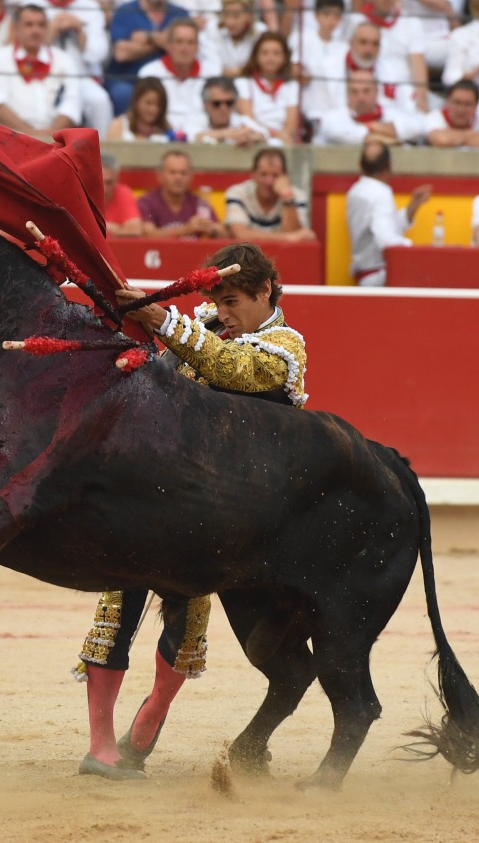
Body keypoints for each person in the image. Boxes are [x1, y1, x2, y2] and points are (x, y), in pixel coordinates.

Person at [75, 241, 308, 780]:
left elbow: (231, 367)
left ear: (265, 290)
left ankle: (153, 710)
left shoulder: (286, 346)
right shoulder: (204, 321)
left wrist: (164, 323)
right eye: (217, 302)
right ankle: (101, 746)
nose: (222, 314)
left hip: (219, 514)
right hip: (149, 494)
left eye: (232, 303)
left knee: (188, 623)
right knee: (116, 607)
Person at [0, 4, 81, 139]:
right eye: (29, 25)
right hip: (10, 138)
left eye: (41, 25)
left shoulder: (64, 60)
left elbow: (72, 104)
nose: (36, 30)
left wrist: (50, 135)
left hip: (55, 140)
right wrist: (30, 134)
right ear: (16, 28)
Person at [345, 140, 431, 286]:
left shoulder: (355, 190)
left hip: (366, 277)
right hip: (379, 277)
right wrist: (420, 252)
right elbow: (386, 238)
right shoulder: (381, 193)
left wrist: (413, 206)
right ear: (389, 166)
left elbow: (385, 225)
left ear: (360, 165)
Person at [103, 0, 190, 116]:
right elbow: (121, 53)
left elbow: (184, 48)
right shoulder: (126, 11)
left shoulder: (179, 13)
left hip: (167, 79)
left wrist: (146, 38)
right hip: (128, 79)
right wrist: (158, 40)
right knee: (122, 94)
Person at [41, 0, 113, 136]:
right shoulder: (33, 3)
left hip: (82, 78)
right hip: (44, 77)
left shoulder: (90, 7)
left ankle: (103, 151)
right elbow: (29, 49)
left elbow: (98, 54)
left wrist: (79, 29)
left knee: (100, 100)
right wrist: (51, 30)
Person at [345, 0, 430, 113]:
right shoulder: (356, 20)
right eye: (364, 42)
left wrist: (422, 99)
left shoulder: (411, 22)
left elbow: (418, 63)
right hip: (360, 83)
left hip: (399, 87)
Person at [137, 18, 220, 131]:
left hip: (202, 141)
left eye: (190, 42)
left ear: (197, 47)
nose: (184, 49)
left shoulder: (212, 74)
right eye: (179, 42)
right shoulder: (149, 73)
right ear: (169, 45)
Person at [225, 148, 316, 242]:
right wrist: (286, 237)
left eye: (275, 175)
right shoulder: (238, 193)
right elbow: (240, 234)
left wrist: (287, 197)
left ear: (285, 176)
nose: (269, 181)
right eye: (263, 174)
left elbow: (295, 242)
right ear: (253, 174)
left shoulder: (297, 196)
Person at [315, 68, 423, 145]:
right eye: (354, 92)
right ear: (347, 94)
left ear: (376, 92)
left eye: (366, 91)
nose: (361, 97)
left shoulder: (391, 112)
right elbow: (337, 133)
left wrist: (371, 126)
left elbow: (417, 128)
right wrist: (382, 132)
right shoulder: (332, 117)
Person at [137, 149, 224, 238]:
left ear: (191, 176)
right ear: (160, 176)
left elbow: (223, 232)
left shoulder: (199, 202)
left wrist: (211, 229)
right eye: (172, 172)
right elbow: (148, 234)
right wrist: (186, 229)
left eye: (183, 173)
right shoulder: (146, 202)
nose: (178, 177)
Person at [234, 31, 300, 146]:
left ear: (285, 57)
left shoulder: (292, 85)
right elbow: (248, 118)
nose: (270, 58)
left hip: (282, 139)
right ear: (256, 56)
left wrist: (282, 136)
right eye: (265, 53)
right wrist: (274, 134)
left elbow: (291, 125)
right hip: (254, 135)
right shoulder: (243, 82)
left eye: (276, 53)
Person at [291, 0, 348, 131]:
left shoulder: (343, 47)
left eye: (336, 17)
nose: (331, 21)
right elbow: (293, 69)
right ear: (316, 15)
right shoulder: (302, 39)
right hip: (310, 107)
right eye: (326, 15)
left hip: (335, 109)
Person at [183, 76, 268, 145]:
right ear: (205, 104)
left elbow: (264, 134)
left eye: (229, 103)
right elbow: (193, 137)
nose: (223, 108)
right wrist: (229, 134)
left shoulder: (240, 120)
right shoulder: (194, 120)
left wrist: (250, 137)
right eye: (217, 103)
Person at [423, 79, 479, 148]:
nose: (461, 110)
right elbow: (441, 140)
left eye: (467, 104)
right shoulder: (434, 116)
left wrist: (452, 137)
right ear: (447, 102)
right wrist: (473, 135)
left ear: (476, 105)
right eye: (457, 102)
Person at [204, 0, 267, 78]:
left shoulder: (261, 32)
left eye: (236, 16)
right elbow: (210, 65)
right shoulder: (212, 30)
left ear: (249, 15)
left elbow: (261, 66)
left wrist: (243, 71)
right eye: (226, 15)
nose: (230, 22)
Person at [105, 76, 173, 141]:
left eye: (158, 104)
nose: (153, 109)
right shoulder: (119, 125)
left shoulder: (167, 130)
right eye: (148, 103)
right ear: (136, 101)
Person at [102, 153, 143, 237]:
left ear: (116, 180)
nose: (104, 189)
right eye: (99, 183)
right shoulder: (81, 193)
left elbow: (135, 231)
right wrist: (115, 229)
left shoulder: (123, 193)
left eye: (109, 183)